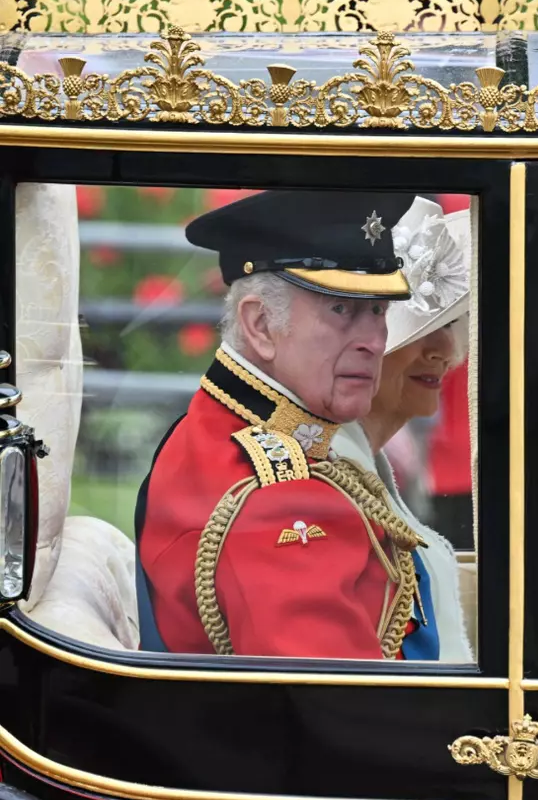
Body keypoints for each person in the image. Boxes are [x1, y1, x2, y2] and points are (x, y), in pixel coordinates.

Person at [135, 190, 441, 661]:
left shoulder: (221, 428)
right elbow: (345, 717)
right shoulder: (276, 501)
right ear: (259, 325)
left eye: (378, 311)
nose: (373, 342)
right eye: (340, 309)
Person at [331, 196, 475, 663]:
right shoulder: (331, 487)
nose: (445, 349)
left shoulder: (362, 469)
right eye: (415, 331)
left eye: (452, 324)